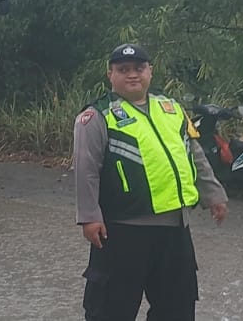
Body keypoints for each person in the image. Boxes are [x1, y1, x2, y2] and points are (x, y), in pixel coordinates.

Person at [74, 43, 229, 321]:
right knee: (112, 309)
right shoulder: (97, 116)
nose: (132, 74)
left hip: (175, 230)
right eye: (123, 70)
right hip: (123, 229)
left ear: (150, 72)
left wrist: (214, 194)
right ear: (110, 75)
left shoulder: (171, 108)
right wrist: (89, 217)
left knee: (177, 308)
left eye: (139, 68)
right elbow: (86, 169)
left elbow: (193, 153)